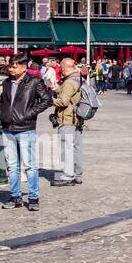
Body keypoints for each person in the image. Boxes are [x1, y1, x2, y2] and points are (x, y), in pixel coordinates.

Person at [0, 54, 52, 210]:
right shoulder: (7, 83)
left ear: (23, 67)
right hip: (8, 128)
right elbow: (3, 102)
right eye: (10, 66)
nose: (11, 68)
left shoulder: (34, 81)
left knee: (29, 165)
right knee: (12, 166)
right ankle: (15, 196)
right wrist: (1, 114)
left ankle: (33, 198)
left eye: (14, 66)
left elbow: (46, 100)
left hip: (25, 128)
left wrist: (28, 114)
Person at [51, 57, 84, 187]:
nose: (61, 71)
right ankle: (77, 175)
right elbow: (72, 95)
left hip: (68, 119)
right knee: (76, 148)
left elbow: (63, 102)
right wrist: (58, 89)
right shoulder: (79, 78)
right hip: (77, 119)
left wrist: (50, 100)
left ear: (65, 68)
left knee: (67, 149)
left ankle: (67, 176)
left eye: (62, 69)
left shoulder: (69, 81)